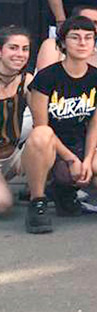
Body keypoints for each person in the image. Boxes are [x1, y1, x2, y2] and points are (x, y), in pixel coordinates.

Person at [23, 17, 97, 233]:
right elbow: (41, 127)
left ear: (95, 43)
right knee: (42, 134)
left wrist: (87, 159)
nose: (82, 43)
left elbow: (94, 124)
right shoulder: (47, 77)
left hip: (79, 142)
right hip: (50, 147)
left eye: (88, 38)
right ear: (63, 43)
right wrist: (70, 158)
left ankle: (63, 190)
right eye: (75, 37)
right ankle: (37, 202)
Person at [0, 26, 32, 216]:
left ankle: (37, 195)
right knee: (3, 204)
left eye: (25, 49)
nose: (20, 54)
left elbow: (43, 120)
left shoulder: (26, 81)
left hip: (12, 156)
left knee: (46, 139)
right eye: (13, 48)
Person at [36, 5, 97, 82]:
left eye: (96, 23)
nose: (90, 25)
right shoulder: (52, 45)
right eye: (85, 20)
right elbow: (44, 82)